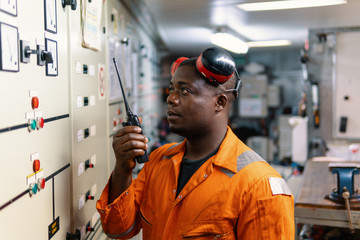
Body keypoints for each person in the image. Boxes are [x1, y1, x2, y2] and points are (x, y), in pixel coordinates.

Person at [96, 47, 295, 239]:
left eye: (185, 91)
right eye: (172, 89)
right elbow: (118, 229)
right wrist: (123, 168)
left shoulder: (260, 187)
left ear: (220, 102)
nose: (171, 99)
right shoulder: (158, 161)